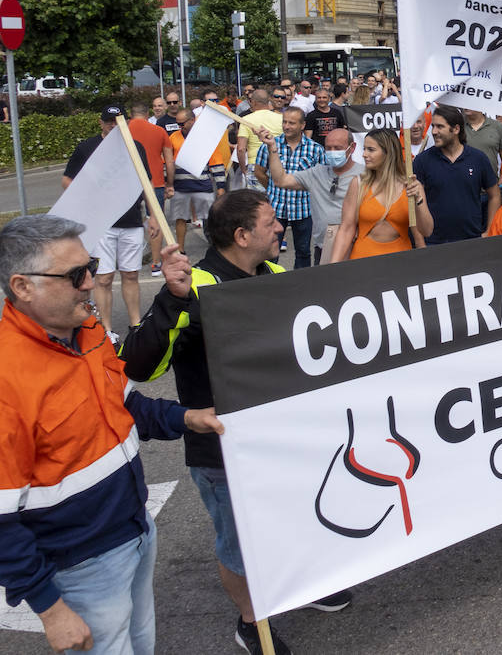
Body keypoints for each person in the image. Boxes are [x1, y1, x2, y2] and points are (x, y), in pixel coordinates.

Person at [120, 191, 351, 654]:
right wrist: (171, 298)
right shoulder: (196, 284)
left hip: (284, 438)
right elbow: (139, 365)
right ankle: (251, 623)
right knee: (239, 542)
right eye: (271, 222)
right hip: (223, 447)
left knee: (298, 516)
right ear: (243, 236)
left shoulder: (274, 274)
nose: (281, 227)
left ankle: (299, 586)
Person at [0, 215, 222, 655]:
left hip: (136, 529)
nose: (90, 283)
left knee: (141, 643)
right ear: (22, 286)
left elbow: (125, 405)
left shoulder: (87, 330)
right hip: (79, 563)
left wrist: (187, 419)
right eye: (75, 274)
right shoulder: (8, 376)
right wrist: (51, 609)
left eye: (91, 265)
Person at [62, 106, 149, 338]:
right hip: (102, 224)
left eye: (118, 121)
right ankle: (106, 330)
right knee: (104, 278)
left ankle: (135, 325)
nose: (113, 125)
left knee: (131, 274)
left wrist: (152, 217)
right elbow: (67, 180)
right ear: (101, 123)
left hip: (131, 222)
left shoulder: (135, 147)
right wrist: (87, 201)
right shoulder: (87, 147)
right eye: (109, 121)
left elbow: (145, 184)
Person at [259, 126, 364, 264]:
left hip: (356, 245)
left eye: (337, 148)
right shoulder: (316, 173)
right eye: (328, 148)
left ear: (352, 147)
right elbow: (281, 180)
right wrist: (272, 147)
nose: (332, 152)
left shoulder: (365, 174)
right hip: (322, 247)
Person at [334, 129, 432, 261]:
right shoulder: (358, 183)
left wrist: (418, 200)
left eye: (371, 149)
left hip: (401, 262)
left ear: (388, 152)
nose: (364, 154)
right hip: (363, 260)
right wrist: (332, 267)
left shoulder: (410, 185)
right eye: (364, 149)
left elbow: (426, 231)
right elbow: (346, 229)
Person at [411, 106, 500, 243]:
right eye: (433, 126)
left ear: (456, 129)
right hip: (435, 245)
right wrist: (420, 244)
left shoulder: (478, 158)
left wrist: (489, 231)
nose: (434, 131)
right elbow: (414, 206)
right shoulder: (422, 161)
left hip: (472, 242)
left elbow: (494, 195)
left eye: (440, 127)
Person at [254, 106, 324, 270]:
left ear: (302, 125)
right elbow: (259, 172)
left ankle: (301, 287)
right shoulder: (269, 146)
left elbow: (321, 180)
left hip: (303, 209)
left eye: (292, 123)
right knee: (270, 253)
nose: (286, 126)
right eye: (284, 122)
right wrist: (273, 188)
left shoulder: (315, 149)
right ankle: (269, 283)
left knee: (303, 252)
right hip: (276, 208)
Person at [127, 102, 175, 276]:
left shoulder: (122, 132)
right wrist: (170, 183)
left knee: (127, 223)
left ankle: (127, 262)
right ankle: (156, 263)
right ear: (147, 114)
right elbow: (169, 161)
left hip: (128, 183)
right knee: (156, 222)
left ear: (131, 116)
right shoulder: (159, 131)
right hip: (155, 182)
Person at [169, 108, 227, 249]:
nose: (180, 127)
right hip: (180, 186)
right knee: (180, 217)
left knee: (210, 218)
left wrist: (221, 187)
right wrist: (168, 184)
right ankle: (180, 249)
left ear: (192, 121)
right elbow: (167, 162)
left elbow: (216, 163)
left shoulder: (205, 138)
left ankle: (215, 248)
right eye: (178, 124)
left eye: (182, 123)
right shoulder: (173, 138)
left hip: (202, 185)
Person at [236, 88, 283, 193]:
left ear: (253, 102)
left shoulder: (246, 120)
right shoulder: (281, 118)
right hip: (278, 163)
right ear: (268, 101)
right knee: (278, 198)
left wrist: (244, 169)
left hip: (255, 165)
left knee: (257, 203)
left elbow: (241, 149)